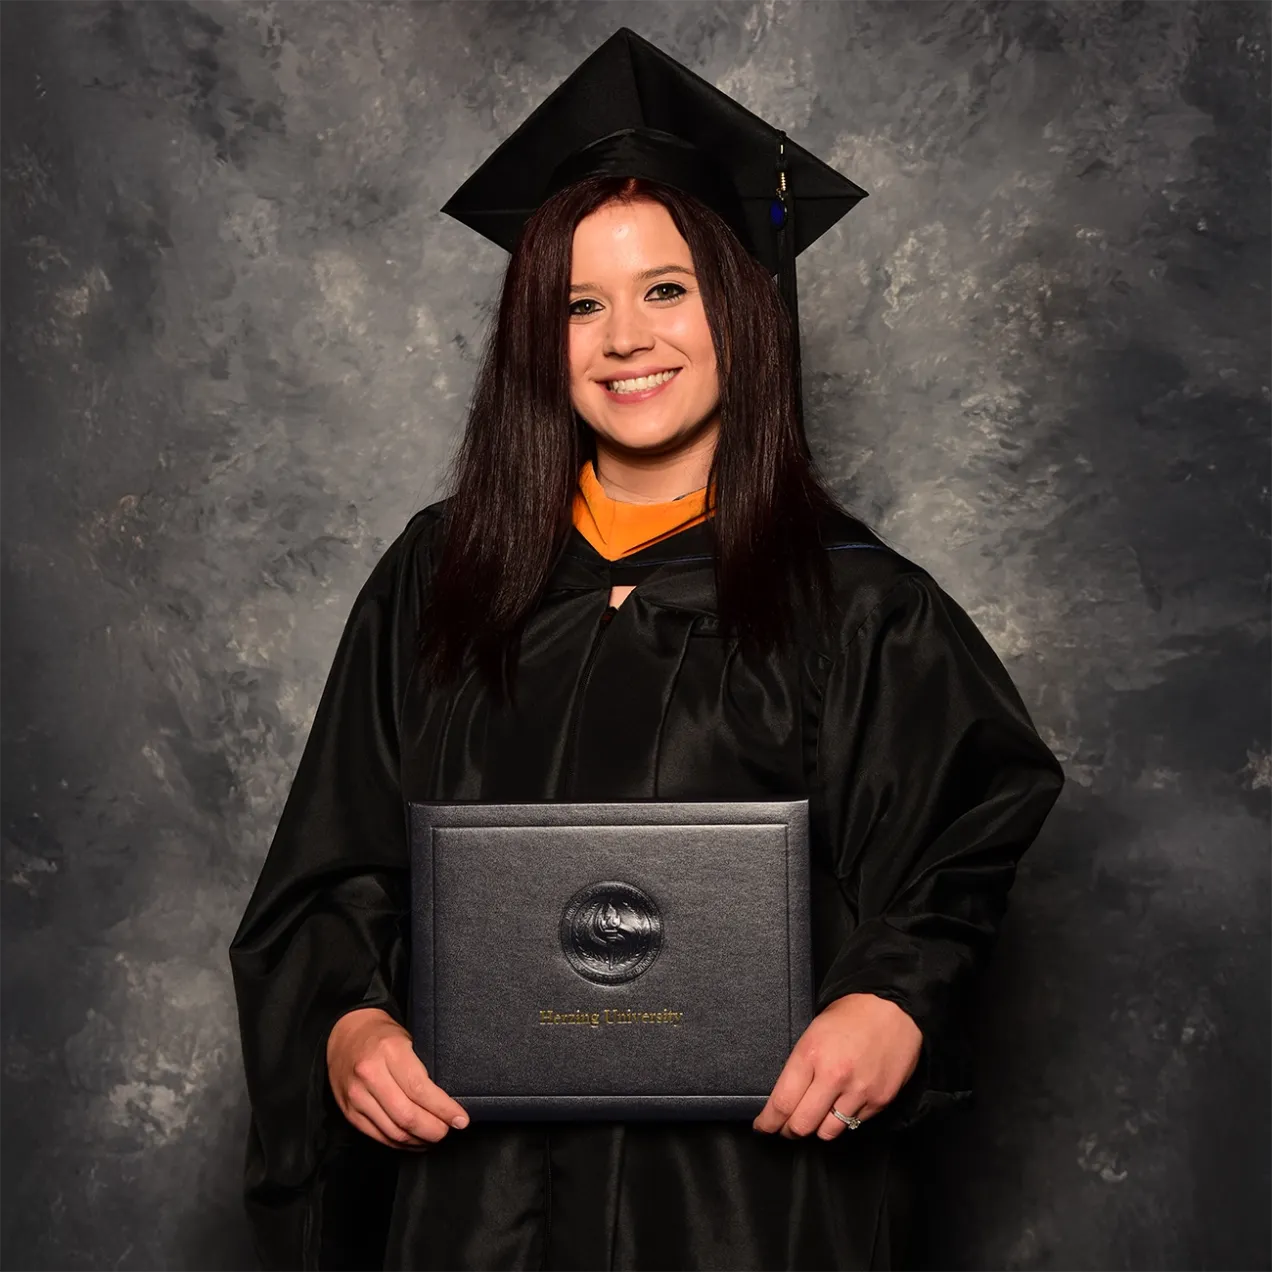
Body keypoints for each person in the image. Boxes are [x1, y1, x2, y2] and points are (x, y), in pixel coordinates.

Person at [229, 28, 1064, 1272]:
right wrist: (345, 1026)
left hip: (745, 1210)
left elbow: (958, 852)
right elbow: (329, 867)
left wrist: (892, 1000)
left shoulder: (857, 605)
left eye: (666, 288)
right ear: (537, 336)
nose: (626, 338)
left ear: (738, 304)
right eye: (580, 301)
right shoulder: (442, 577)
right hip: (474, 1207)